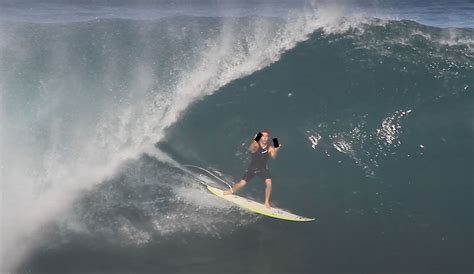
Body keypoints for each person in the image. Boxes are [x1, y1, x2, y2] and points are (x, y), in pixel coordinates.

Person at [223, 129, 282, 208]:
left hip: (263, 169)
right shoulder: (256, 145)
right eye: (262, 136)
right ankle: (231, 191)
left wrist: (276, 149)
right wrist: (255, 140)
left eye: (266, 136)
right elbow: (251, 148)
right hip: (252, 168)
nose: (264, 138)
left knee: (269, 183)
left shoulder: (270, 148)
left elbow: (273, 156)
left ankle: (267, 201)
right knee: (242, 184)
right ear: (260, 137)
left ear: (268, 138)